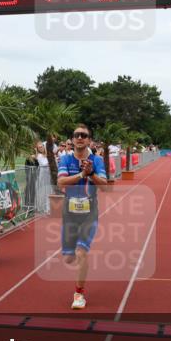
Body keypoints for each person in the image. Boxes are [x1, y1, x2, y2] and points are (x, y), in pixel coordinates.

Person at [57, 124, 106, 310]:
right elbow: (61, 181)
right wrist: (81, 174)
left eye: (83, 135)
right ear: (72, 139)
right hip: (69, 214)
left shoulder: (97, 160)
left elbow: (105, 186)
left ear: (89, 140)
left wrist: (92, 174)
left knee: (81, 252)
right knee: (69, 258)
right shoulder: (65, 159)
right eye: (77, 135)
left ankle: (79, 294)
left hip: (89, 213)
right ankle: (77, 260)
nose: (80, 138)